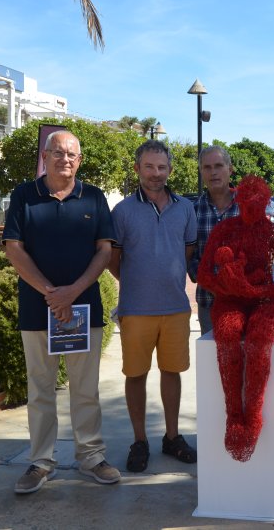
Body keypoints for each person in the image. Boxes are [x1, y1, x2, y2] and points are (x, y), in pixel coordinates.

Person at [3, 130, 120, 494]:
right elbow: (14, 249)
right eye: (57, 153)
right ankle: (40, 461)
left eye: (71, 154)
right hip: (38, 311)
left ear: (79, 160)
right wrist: (52, 294)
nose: (64, 159)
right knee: (40, 389)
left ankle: (91, 456)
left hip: (84, 309)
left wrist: (73, 292)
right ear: (45, 155)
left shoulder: (95, 197)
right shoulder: (24, 196)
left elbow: (104, 251)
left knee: (85, 390)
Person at [108, 140, 198, 473]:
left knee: (172, 372)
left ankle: (172, 437)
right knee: (136, 375)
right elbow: (113, 259)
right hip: (136, 309)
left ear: (169, 170)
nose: (156, 173)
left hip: (175, 307)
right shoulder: (123, 211)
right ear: (137, 169)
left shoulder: (185, 208)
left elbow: (185, 252)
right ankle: (140, 441)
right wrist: (137, 282)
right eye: (149, 166)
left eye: (162, 167)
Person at [196, 175, 274, 462]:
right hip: (230, 300)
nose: (251, 208)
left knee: (260, 337)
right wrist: (229, 285)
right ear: (238, 201)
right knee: (227, 332)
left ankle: (253, 414)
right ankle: (233, 414)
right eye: (246, 202)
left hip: (265, 301)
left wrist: (254, 289)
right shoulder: (225, 230)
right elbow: (203, 275)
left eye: (257, 202)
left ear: (266, 202)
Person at [189, 145, 240, 335]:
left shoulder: (248, 207)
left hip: (244, 303)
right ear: (201, 171)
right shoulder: (192, 211)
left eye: (218, 166)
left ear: (230, 169)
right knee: (211, 361)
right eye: (207, 167)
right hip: (209, 304)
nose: (213, 172)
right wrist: (212, 284)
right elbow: (190, 257)